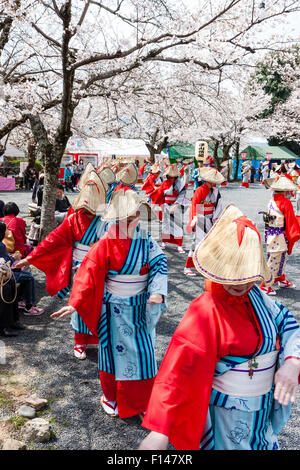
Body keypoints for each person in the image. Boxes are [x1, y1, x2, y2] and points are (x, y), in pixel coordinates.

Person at [139, 204, 300, 451]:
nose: (241, 283)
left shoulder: (257, 297)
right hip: (226, 416)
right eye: (232, 273)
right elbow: (177, 370)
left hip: (262, 410)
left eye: (247, 275)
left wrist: (293, 361)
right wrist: (161, 429)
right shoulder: (205, 308)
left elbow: (288, 323)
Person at [51, 189, 168, 419]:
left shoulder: (146, 240)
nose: (131, 222)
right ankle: (110, 397)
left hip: (139, 309)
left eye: (134, 217)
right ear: (116, 219)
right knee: (111, 356)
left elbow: (160, 264)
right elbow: (89, 273)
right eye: (126, 218)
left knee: (143, 355)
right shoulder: (105, 243)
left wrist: (157, 292)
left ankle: (141, 401)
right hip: (113, 310)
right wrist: (75, 303)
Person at [15, 170, 109, 359]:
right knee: (79, 303)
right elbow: (53, 240)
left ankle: (98, 340)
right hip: (79, 267)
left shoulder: (108, 219)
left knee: (101, 303)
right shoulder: (73, 218)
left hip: (101, 266)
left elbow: (116, 245)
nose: (88, 212)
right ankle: (80, 342)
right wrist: (30, 258)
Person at [259, 175, 300, 295]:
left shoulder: (272, 199)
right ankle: (264, 285)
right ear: (285, 190)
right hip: (280, 234)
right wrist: (295, 233)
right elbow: (291, 221)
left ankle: (280, 278)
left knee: (281, 257)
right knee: (275, 259)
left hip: (271, 232)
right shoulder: (285, 202)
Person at [184, 167, 224, 276]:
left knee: (212, 242)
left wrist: (217, 219)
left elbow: (218, 206)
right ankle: (188, 266)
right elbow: (194, 204)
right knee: (197, 243)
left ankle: (209, 266)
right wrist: (195, 218)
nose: (215, 183)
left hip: (211, 218)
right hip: (200, 217)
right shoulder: (200, 190)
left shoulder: (216, 192)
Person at [150, 164, 190, 254]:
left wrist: (175, 205)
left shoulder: (180, 183)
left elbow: (182, 195)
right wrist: (153, 204)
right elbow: (159, 194)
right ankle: (164, 242)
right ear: (167, 175)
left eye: (173, 176)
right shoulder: (165, 183)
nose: (171, 178)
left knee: (178, 225)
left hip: (177, 206)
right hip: (166, 205)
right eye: (170, 176)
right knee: (165, 224)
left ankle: (179, 245)